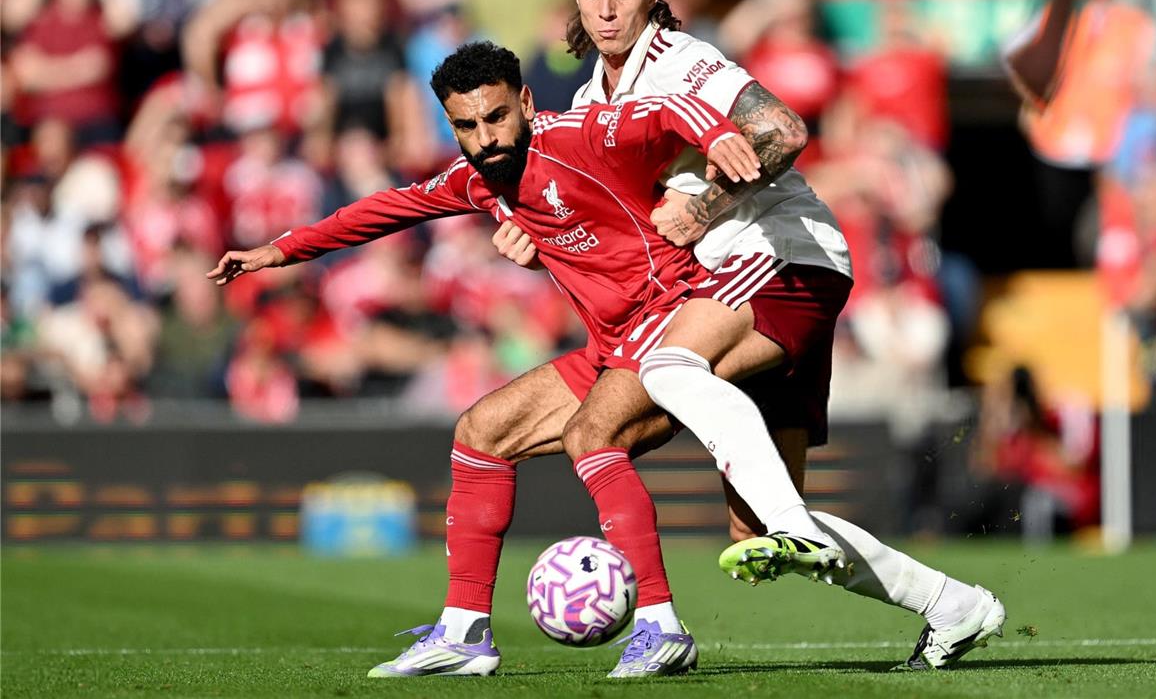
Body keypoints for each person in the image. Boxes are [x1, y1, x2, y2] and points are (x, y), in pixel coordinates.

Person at [495, 0, 1004, 673]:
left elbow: (782, 127)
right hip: (747, 281)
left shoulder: (684, 62)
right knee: (756, 526)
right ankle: (952, 605)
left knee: (666, 365)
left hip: (779, 257)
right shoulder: (589, 99)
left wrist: (702, 210)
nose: (607, 10)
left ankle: (681, 607)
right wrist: (542, 245)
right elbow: (624, 232)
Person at [207, 41, 763, 677]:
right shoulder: (476, 180)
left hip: (675, 323)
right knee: (480, 434)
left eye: (497, 117)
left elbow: (665, 111)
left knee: (592, 436)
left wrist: (719, 134)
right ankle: (465, 631)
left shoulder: (580, 137)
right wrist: (279, 252)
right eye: (467, 126)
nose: (486, 137)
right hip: (611, 349)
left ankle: (662, 626)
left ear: (525, 101)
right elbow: (382, 211)